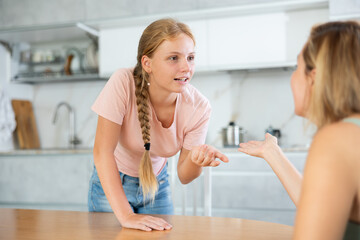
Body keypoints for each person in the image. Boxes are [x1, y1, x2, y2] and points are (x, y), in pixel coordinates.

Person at [88, 18, 229, 232]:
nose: (186, 67)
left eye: (190, 58)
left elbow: (184, 175)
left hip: (157, 185)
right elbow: (102, 152)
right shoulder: (123, 83)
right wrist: (126, 215)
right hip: (113, 180)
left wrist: (197, 160)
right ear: (147, 63)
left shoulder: (199, 107)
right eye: (174, 58)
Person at [238, 21, 360, 239]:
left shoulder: (336, 139)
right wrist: (272, 152)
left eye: (297, 68)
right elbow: (322, 207)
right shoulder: (351, 134)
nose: (293, 78)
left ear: (314, 78)